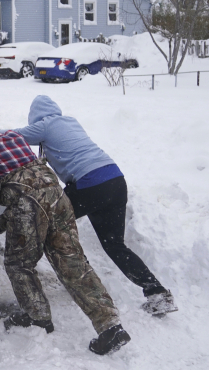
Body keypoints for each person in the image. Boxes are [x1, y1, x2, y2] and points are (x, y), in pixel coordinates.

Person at [0, 111, 130, 355]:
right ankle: (110, 325)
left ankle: (38, 317)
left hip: (28, 202)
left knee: (18, 263)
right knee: (72, 260)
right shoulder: (13, 136)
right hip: (57, 195)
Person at [13, 95, 177, 317]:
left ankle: (82, 278)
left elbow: (14, 137)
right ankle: (156, 292)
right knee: (115, 245)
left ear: (35, 117)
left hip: (89, 183)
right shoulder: (70, 121)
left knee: (50, 222)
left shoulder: (45, 125)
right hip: (115, 180)